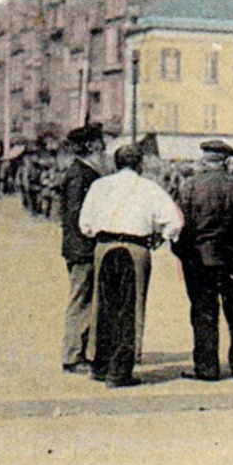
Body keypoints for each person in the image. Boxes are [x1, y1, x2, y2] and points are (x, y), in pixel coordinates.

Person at [78, 143, 183, 388]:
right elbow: (174, 222)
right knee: (130, 308)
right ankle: (120, 371)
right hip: (136, 248)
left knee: (102, 306)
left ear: (116, 163)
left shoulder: (99, 185)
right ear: (140, 164)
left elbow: (84, 223)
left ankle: (99, 365)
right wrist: (161, 237)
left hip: (104, 246)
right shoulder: (150, 188)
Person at [172, 140, 233, 382]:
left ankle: (207, 367)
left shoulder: (189, 186)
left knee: (203, 313)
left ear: (204, 160)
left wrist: (185, 255)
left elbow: (180, 227)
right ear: (226, 161)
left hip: (201, 259)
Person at [57, 124, 106, 375]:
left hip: (79, 247)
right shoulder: (81, 175)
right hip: (83, 248)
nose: (104, 148)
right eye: (100, 144)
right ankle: (73, 356)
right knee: (81, 300)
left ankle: (79, 352)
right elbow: (77, 215)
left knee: (85, 299)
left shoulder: (82, 172)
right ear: (92, 147)